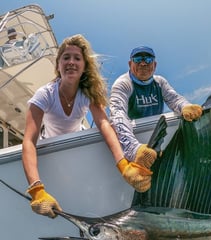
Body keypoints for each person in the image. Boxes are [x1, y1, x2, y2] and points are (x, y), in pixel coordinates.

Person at [22, 35, 152, 219]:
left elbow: (103, 123)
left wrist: (123, 165)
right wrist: (36, 189)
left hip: (77, 143)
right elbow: (28, 140)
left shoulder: (87, 93)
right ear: (58, 64)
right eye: (66, 57)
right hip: (50, 146)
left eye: (77, 58)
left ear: (84, 67)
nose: (71, 62)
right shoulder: (44, 94)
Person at [110, 46, 203, 174]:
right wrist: (133, 149)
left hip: (156, 137)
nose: (143, 63)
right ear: (130, 63)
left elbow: (174, 99)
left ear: (155, 64)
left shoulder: (160, 82)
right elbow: (118, 114)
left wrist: (185, 106)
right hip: (133, 141)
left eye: (148, 59)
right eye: (137, 59)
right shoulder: (122, 83)